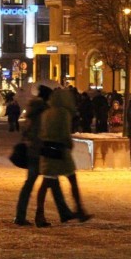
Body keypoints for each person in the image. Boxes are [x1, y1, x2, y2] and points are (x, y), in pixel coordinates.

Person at [14, 85, 73, 227]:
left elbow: (27, 131)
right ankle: (54, 214)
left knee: (38, 183)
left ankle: (21, 216)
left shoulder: (33, 110)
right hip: (42, 151)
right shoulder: (44, 112)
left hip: (33, 150)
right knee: (51, 181)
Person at [37, 88, 92, 226]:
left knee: (46, 183)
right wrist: (69, 145)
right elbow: (65, 134)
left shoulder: (47, 113)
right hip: (60, 151)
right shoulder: (64, 113)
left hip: (47, 150)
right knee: (72, 180)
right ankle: (79, 209)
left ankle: (40, 213)